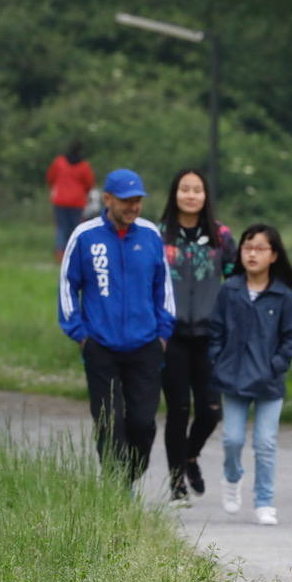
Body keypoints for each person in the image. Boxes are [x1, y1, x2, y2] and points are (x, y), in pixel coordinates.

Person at [58, 168, 174, 486]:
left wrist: (163, 334)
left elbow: (163, 287)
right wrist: (80, 335)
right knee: (110, 423)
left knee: (142, 422)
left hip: (146, 345)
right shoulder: (84, 236)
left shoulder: (150, 235)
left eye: (137, 201)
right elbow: (68, 285)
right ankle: (116, 487)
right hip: (101, 346)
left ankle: (130, 477)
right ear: (108, 199)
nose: (133, 207)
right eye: (126, 201)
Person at [208, 224, 292, 526]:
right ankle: (232, 477)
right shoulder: (229, 289)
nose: (252, 254)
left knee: (265, 443)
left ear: (274, 255)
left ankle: (264, 501)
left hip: (269, 382)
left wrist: (276, 365)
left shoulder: (284, 296)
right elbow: (215, 331)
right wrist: (217, 360)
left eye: (260, 248)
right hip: (232, 379)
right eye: (247, 248)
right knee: (232, 439)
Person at [159, 168, 237, 506]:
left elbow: (235, 280)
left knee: (209, 411)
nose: (191, 195)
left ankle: (190, 457)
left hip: (209, 335)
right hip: (170, 334)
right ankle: (177, 485)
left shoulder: (221, 236)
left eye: (197, 189)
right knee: (177, 409)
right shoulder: (158, 234)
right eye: (184, 189)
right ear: (175, 193)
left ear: (206, 196)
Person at [46, 141, 95, 263]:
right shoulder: (84, 166)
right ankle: (74, 253)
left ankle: (60, 254)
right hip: (77, 202)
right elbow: (89, 183)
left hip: (60, 200)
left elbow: (50, 177)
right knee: (76, 228)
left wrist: (55, 187)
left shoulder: (59, 162)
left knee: (61, 228)